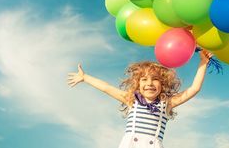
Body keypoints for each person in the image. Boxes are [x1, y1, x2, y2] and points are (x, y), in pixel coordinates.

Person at [67, 49, 213, 148]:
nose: (149, 83)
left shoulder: (166, 104)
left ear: (162, 84)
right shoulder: (132, 100)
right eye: (144, 80)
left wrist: (203, 63)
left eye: (155, 79)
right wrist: (85, 77)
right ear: (138, 84)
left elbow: (194, 89)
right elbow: (106, 87)